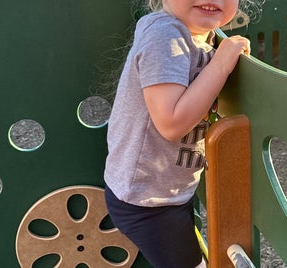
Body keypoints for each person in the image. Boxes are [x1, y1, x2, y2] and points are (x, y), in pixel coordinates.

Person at [103, 0, 253, 267]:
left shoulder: (195, 35)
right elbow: (170, 123)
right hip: (147, 202)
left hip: (168, 191)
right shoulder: (164, 36)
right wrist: (220, 65)